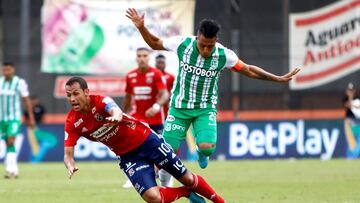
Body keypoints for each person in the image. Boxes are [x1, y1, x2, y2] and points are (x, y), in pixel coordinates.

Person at [126, 8, 301, 171]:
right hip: (179, 107)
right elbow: (155, 43)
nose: (205, 50)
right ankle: (164, 187)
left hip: (204, 107)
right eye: (202, 45)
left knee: (207, 148)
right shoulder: (182, 44)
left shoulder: (224, 55)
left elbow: (248, 69)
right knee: (167, 151)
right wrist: (142, 28)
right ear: (197, 37)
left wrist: (276, 78)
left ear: (216, 40)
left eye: (210, 46)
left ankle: (202, 153)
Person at [63, 76, 225, 203]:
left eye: (76, 93)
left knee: (187, 178)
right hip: (128, 157)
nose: (72, 99)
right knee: (152, 197)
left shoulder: (101, 101)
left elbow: (115, 110)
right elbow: (68, 154)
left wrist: (116, 117)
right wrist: (70, 165)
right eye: (69, 95)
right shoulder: (72, 122)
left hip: (147, 141)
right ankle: (186, 192)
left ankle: (219, 201)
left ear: (86, 92)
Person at [122, 48, 169, 188]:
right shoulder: (130, 76)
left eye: (144, 56)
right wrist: (122, 115)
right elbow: (128, 98)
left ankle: (165, 178)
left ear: (149, 58)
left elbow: (164, 94)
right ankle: (132, 177)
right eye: (139, 56)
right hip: (138, 119)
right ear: (136, 58)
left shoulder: (156, 74)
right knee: (130, 148)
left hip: (155, 119)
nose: (142, 58)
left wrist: (155, 107)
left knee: (161, 150)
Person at [0, 62, 36, 178]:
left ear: (13, 70)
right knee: (7, 142)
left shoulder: (19, 83)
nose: (6, 72)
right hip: (2, 118)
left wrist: (30, 117)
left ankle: (10, 168)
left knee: (11, 139)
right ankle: (13, 169)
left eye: (8, 70)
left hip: (14, 118)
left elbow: (26, 100)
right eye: (4, 70)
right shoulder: (0, 82)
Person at [343, 83, 360, 158]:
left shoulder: (357, 99)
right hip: (349, 122)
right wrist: (350, 97)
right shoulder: (345, 99)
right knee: (350, 139)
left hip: (356, 121)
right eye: (349, 90)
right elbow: (348, 105)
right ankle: (350, 156)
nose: (350, 92)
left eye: (351, 90)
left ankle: (354, 155)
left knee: (357, 137)